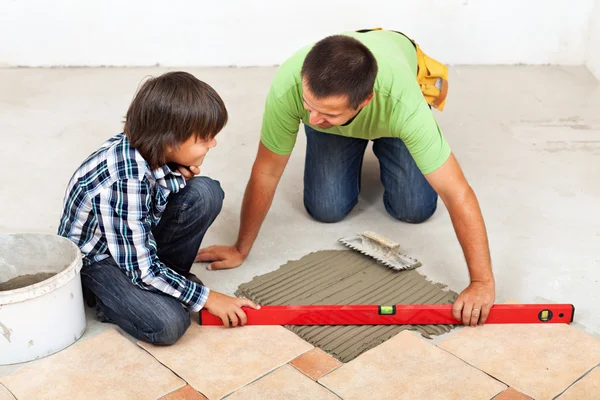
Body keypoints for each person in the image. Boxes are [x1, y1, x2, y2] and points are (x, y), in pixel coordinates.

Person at [193, 29, 495, 327]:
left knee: (414, 209)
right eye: (309, 107)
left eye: (326, 113)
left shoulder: (404, 105)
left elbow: (457, 193)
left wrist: (481, 281)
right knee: (326, 209)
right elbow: (267, 171)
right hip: (342, 120)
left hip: (392, 116)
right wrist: (240, 248)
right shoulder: (291, 84)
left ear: (364, 101)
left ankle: (384, 140)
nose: (311, 120)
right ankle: (342, 129)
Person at [58, 71, 259, 345]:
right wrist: (208, 298)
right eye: (205, 138)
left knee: (205, 192)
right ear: (169, 141)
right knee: (169, 323)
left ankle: (168, 284)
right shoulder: (125, 179)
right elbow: (140, 269)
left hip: (131, 247)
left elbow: (150, 206)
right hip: (101, 262)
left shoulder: (151, 149)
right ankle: (108, 300)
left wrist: (175, 177)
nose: (213, 143)